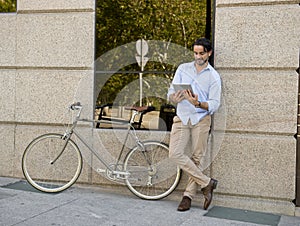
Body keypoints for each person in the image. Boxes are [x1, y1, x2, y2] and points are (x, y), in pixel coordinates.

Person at [167, 38, 221, 211]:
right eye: (196, 53)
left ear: (209, 53)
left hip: (201, 119)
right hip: (182, 116)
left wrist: (198, 103)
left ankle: (187, 197)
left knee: (197, 158)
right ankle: (206, 183)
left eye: (201, 53)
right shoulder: (183, 68)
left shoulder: (213, 76)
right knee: (174, 153)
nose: (198, 56)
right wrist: (173, 98)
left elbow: (214, 104)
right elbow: (171, 91)